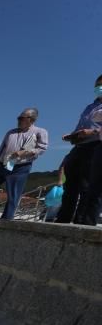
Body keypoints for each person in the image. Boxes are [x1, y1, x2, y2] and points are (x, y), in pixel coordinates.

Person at [56, 75, 102, 226]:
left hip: (96, 146)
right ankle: (63, 217)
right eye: (97, 85)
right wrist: (73, 135)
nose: (99, 88)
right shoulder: (90, 106)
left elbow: (96, 129)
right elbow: (81, 125)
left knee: (88, 185)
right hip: (80, 146)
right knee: (70, 183)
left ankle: (82, 221)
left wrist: (93, 132)